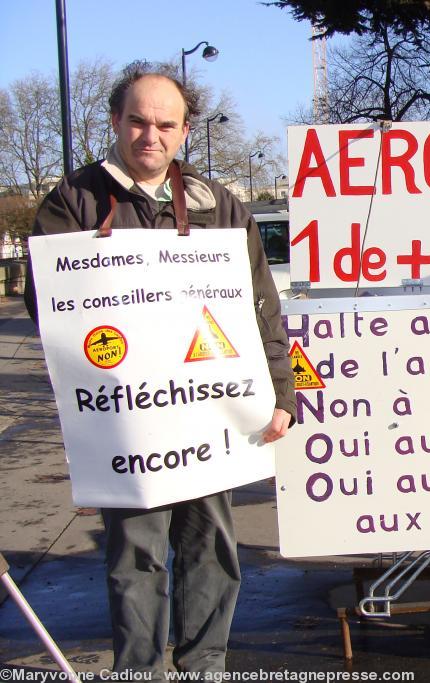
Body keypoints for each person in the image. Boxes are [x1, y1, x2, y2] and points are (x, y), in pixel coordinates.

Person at [23, 64, 296, 677]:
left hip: (210, 417)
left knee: (212, 550)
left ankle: (205, 666)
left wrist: (282, 392)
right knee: (137, 556)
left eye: (165, 124)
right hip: (131, 423)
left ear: (185, 130)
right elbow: (50, 312)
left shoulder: (218, 205)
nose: (152, 135)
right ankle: (139, 670)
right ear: (116, 121)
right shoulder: (73, 202)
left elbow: (261, 307)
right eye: (139, 121)